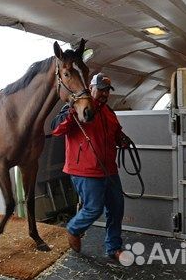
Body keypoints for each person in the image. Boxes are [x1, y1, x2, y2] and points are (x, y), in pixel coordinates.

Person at [51, 72, 130, 262]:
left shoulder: (109, 112)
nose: (104, 94)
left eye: (107, 91)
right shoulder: (76, 107)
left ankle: (113, 247)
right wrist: (70, 111)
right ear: (91, 88)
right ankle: (73, 229)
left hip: (109, 169)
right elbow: (56, 129)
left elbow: (116, 133)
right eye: (100, 89)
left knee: (117, 208)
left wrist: (122, 140)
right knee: (94, 209)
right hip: (85, 171)